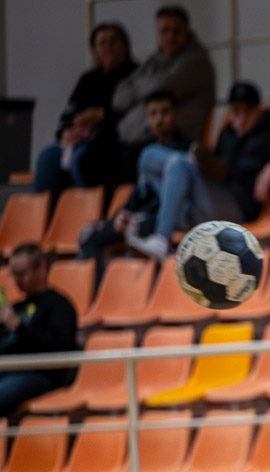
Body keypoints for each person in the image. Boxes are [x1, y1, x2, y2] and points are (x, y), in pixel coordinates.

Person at [125, 81, 270, 261]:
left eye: (247, 112)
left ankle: (161, 238)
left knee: (177, 164)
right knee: (149, 155)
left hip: (238, 206)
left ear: (258, 110)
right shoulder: (228, 133)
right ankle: (166, 207)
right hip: (211, 196)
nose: (241, 119)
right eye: (236, 112)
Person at [78, 92, 190, 276]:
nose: (159, 119)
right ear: (147, 117)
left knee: (137, 227)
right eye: (153, 113)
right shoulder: (139, 151)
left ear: (175, 114)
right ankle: (97, 292)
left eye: (165, 112)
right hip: (142, 212)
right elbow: (140, 192)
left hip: (168, 216)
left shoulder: (187, 152)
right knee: (90, 235)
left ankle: (143, 287)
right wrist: (122, 214)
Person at [33, 22, 135, 202]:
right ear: (95, 49)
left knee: (82, 159)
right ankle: (46, 216)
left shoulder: (135, 75)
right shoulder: (88, 79)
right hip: (78, 140)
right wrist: (65, 133)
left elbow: (134, 115)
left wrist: (101, 116)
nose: (108, 47)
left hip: (112, 140)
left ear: (125, 45)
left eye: (113, 41)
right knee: (47, 157)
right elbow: (69, 113)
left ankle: (89, 212)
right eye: (102, 43)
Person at [111, 5, 215, 158]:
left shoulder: (196, 62)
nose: (170, 37)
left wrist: (135, 86)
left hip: (174, 143)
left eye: (176, 31)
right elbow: (118, 99)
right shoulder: (154, 61)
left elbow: (160, 88)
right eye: (165, 31)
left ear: (187, 31)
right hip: (138, 138)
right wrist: (146, 86)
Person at [0, 245, 80, 418]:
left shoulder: (59, 306)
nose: (17, 280)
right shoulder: (17, 307)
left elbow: (58, 349)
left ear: (41, 269)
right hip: (6, 369)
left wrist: (18, 327)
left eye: (22, 273)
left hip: (39, 375)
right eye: (14, 274)